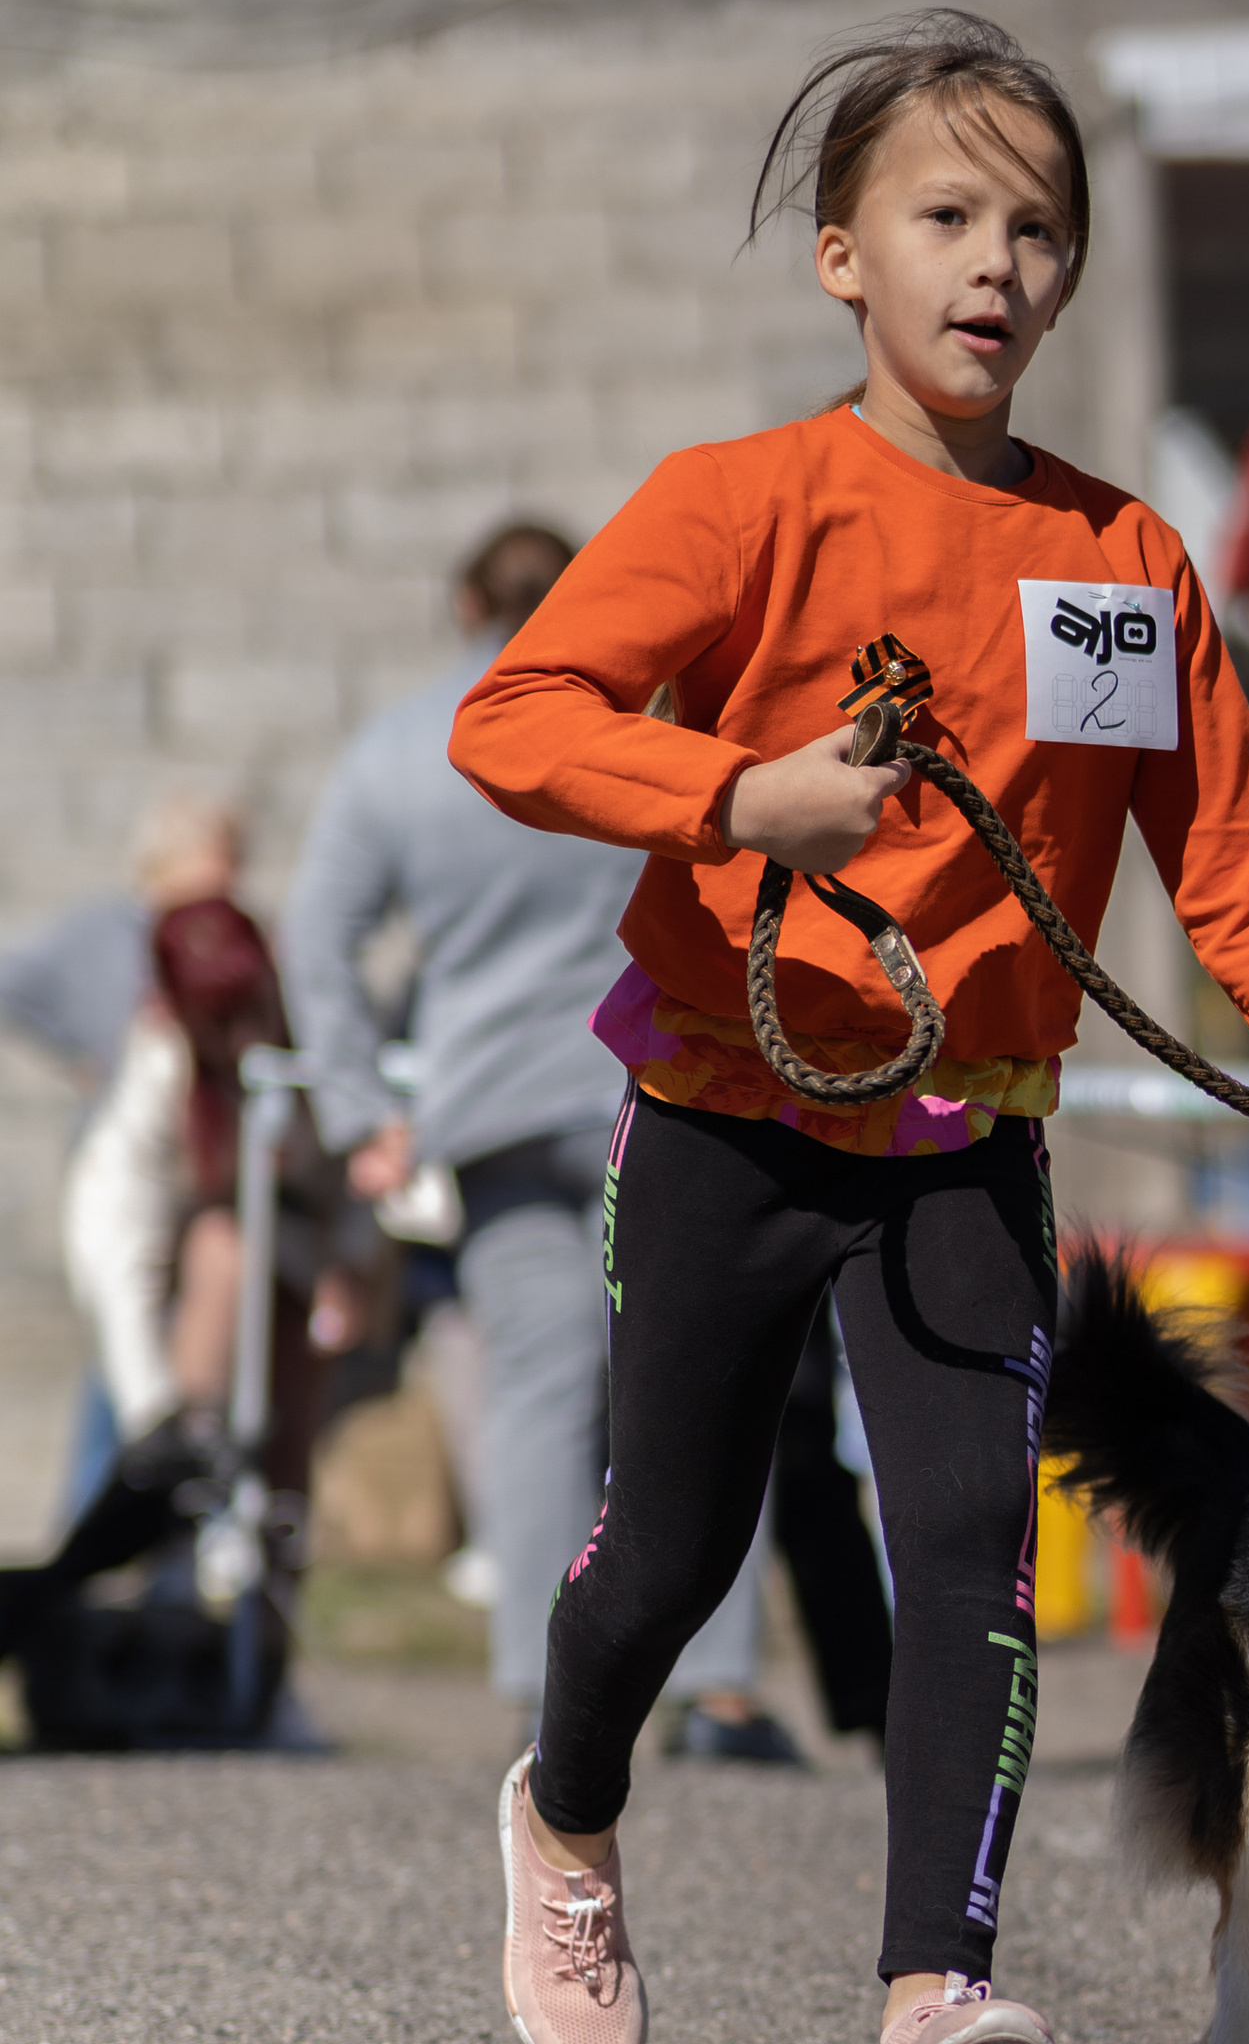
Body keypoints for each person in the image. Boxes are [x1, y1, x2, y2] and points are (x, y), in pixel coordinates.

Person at [450, 6, 1249, 2044]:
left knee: (963, 1557)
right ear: (842, 256)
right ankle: (564, 1803)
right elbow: (516, 720)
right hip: (727, 1109)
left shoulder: (1122, 563)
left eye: (1037, 226)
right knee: (667, 1556)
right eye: (944, 216)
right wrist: (743, 793)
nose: (994, 262)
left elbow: (1239, 864)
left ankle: (933, 2007)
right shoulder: (745, 503)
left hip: (965, 1140)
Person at [281, 521, 801, 1752]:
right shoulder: (650, 726)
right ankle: (718, 1691)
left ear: (461, 603)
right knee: (700, 1386)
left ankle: (540, 1688)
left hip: (499, 1107)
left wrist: (361, 1109)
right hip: (673, 1088)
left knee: (534, 1394)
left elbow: (318, 934)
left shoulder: (403, 747)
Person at [60, 884, 370, 1518]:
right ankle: (194, 1478)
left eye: (251, 1008)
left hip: (314, 1255)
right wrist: (154, 1410)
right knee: (223, 1248)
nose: (241, 1041)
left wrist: (354, 1262)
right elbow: (116, 1233)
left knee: (287, 1457)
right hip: (209, 1270)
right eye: (218, 1021)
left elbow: (374, 1159)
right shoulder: (161, 1067)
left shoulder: (321, 1026)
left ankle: (271, 1557)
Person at [1, 793, 245, 1515]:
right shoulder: (102, 936)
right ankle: (93, 1530)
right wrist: (82, 1054)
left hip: (197, 1178)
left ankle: (162, 1533)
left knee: (172, 1365)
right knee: (125, 1364)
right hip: (123, 1172)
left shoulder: (229, 944)